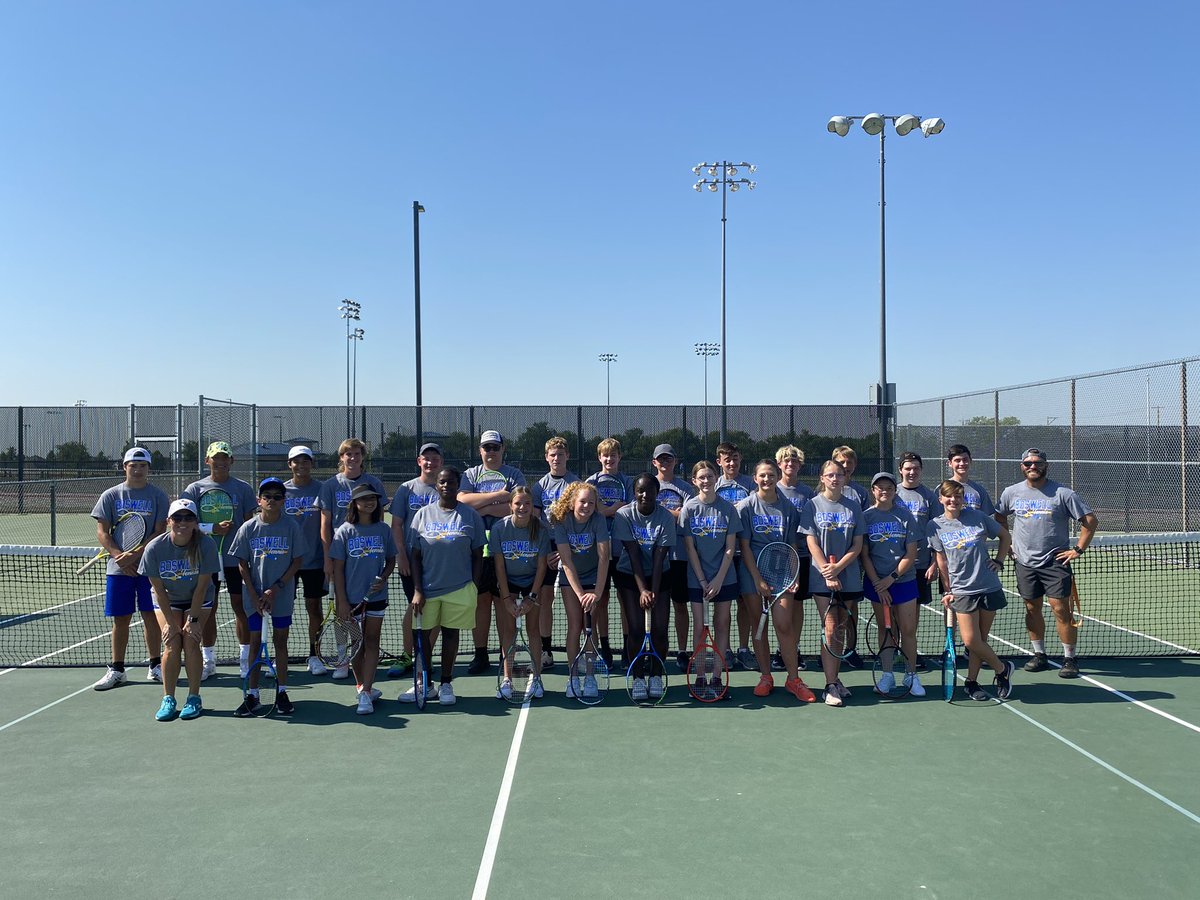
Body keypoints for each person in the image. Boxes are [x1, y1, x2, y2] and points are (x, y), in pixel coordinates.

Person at [995, 447, 1099, 678]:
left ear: (1046, 466)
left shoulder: (1063, 493)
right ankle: (1039, 654)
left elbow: (1090, 521)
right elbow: (1000, 517)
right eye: (1028, 463)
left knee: (1061, 609)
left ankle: (1069, 659)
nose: (1033, 467)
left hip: (1055, 562)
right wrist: (1008, 543)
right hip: (1024, 562)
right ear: (1022, 467)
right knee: (1032, 609)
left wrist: (1078, 549)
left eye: (1037, 463)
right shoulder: (1011, 493)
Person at [928, 479, 1016, 701]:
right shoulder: (935, 526)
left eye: (958, 496)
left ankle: (971, 682)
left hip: (988, 585)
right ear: (941, 499)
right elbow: (942, 562)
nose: (953, 500)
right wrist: (948, 590)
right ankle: (1002, 669)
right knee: (970, 641)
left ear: (963, 499)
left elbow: (1006, 536)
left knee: (981, 639)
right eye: (949, 496)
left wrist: (999, 561)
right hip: (962, 590)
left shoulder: (978, 518)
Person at [90, 447, 169, 691]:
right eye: (132, 465)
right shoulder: (111, 496)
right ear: (124, 467)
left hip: (149, 567)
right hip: (118, 570)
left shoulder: (158, 496)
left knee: (150, 617)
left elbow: (160, 531)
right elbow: (102, 531)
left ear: (148, 469)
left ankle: (155, 666)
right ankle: (117, 669)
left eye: (142, 465)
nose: (137, 469)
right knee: (121, 619)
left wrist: (136, 554)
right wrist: (118, 557)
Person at [405, 467, 485, 706]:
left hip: (459, 587)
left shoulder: (470, 516)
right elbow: (415, 556)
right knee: (424, 636)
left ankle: (447, 683)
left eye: (451, 482)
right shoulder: (422, 515)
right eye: (442, 482)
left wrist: (473, 584)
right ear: (436, 485)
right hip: (427, 589)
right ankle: (426, 683)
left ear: (457, 484)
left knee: (451, 634)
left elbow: (478, 554)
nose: (446, 486)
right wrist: (418, 589)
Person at [737, 459, 815, 702]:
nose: (767, 479)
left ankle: (793, 679)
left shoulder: (788, 509)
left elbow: (791, 546)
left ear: (776, 475)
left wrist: (793, 575)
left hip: (782, 573)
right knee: (757, 626)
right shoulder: (746, 507)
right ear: (755, 478)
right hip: (752, 574)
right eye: (762, 475)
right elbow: (745, 547)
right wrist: (758, 579)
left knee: (784, 625)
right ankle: (766, 677)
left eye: (771, 475)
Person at [180, 440, 259, 681]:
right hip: (205, 560)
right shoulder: (194, 489)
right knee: (208, 610)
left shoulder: (243, 489)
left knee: (241, 607)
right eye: (216, 457)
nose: (221, 462)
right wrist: (211, 527)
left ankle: (245, 659)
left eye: (225, 457)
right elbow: (185, 524)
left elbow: (250, 524)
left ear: (231, 461)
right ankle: (209, 660)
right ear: (208, 461)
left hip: (236, 560)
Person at [229, 477, 307, 716]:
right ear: (258, 500)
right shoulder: (248, 528)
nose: (271, 500)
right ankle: (252, 695)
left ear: (284, 500)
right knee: (254, 644)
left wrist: (275, 589)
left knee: (280, 642)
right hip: (254, 598)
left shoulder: (291, 526)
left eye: (277, 496)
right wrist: (254, 594)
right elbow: (241, 563)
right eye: (267, 496)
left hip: (280, 597)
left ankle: (282, 691)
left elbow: (297, 560)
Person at [139, 498, 220, 720]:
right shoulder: (155, 548)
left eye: (188, 518)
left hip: (198, 598)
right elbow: (158, 590)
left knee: (191, 639)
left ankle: (194, 698)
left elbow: (203, 587)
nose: (182, 522)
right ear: (168, 521)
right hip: (169, 599)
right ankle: (168, 699)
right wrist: (172, 624)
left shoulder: (206, 545)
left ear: (195, 522)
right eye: (177, 518)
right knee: (172, 641)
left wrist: (192, 620)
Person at [458, 430, 527, 676]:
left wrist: (482, 505)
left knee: (503, 603)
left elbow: (516, 507)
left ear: (502, 449)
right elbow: (463, 502)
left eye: (495, 447)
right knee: (480, 602)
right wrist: (499, 497)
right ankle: (480, 654)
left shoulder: (514, 474)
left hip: (506, 550)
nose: (491, 452)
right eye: (487, 448)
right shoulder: (469, 474)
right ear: (480, 450)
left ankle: (505, 656)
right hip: (476, 551)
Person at [799, 460, 866, 707]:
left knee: (841, 627)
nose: (835, 479)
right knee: (829, 626)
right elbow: (811, 542)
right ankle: (829, 686)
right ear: (822, 477)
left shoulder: (854, 507)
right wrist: (827, 572)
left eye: (839, 474)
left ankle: (835, 679)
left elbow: (857, 545)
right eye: (830, 475)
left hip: (847, 575)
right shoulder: (812, 505)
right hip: (821, 577)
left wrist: (839, 567)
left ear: (845, 477)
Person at [329, 483, 398, 714]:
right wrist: (342, 601)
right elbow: (337, 569)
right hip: (351, 599)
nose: (369, 502)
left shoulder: (383, 529)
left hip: (377, 597)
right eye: (364, 499)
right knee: (357, 645)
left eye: (373, 499)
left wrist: (384, 577)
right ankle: (362, 687)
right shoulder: (344, 531)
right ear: (355, 503)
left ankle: (366, 691)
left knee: (371, 641)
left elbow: (391, 560)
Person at [860, 472, 924, 697]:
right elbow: (864, 554)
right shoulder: (866, 517)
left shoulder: (905, 516)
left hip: (903, 581)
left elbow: (911, 552)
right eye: (880, 487)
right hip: (877, 584)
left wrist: (892, 578)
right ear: (873, 491)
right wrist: (879, 583)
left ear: (895, 491)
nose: (884, 491)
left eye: (889, 487)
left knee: (907, 630)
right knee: (886, 630)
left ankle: (911, 676)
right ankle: (887, 675)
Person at [680, 460, 740, 695]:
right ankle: (700, 676)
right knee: (699, 626)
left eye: (710, 476)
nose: (706, 481)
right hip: (697, 579)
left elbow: (730, 548)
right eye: (701, 477)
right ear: (694, 481)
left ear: (717, 479)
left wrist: (717, 580)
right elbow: (690, 548)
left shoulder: (728, 509)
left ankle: (716, 676)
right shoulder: (689, 509)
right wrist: (704, 581)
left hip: (725, 577)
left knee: (722, 625)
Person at [612, 474, 675, 700]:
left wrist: (654, 591)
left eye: (650, 491)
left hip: (660, 575)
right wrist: (642, 590)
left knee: (659, 629)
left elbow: (660, 557)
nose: (645, 495)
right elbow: (633, 553)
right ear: (634, 493)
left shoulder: (666, 517)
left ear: (658, 493)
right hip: (630, 575)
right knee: (636, 629)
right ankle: (638, 677)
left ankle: (656, 675)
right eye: (640, 491)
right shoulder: (624, 515)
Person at [549, 481, 611, 699]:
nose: (586, 506)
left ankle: (590, 677)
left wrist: (597, 593)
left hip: (594, 578)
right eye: (582, 501)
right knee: (575, 626)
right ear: (573, 502)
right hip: (571, 578)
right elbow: (566, 561)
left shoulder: (599, 520)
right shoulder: (561, 521)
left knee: (590, 629)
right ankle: (573, 676)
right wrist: (580, 594)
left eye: (591, 503)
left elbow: (604, 558)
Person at [388, 441, 445, 676]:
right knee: (416, 606)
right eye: (426, 458)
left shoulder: (447, 487)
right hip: (412, 560)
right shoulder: (406, 489)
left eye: (435, 458)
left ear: (441, 462)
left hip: (440, 561)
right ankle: (407, 655)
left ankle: (425, 657)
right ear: (419, 462)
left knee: (438, 609)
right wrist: (401, 556)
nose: (430, 462)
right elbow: (397, 525)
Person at [489, 486, 551, 701]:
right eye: (518, 503)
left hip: (532, 585)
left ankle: (536, 679)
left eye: (527, 503)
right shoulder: (499, 529)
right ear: (510, 506)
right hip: (509, 584)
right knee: (509, 632)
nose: (522, 507)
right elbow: (499, 567)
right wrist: (507, 599)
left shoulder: (541, 529)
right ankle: (507, 679)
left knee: (533, 630)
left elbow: (542, 567)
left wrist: (531, 598)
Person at [586, 438, 634, 668]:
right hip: (599, 554)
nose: (609, 459)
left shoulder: (628, 482)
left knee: (625, 601)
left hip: (623, 552)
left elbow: (632, 512)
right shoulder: (591, 482)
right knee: (600, 601)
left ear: (619, 457)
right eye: (605, 455)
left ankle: (627, 648)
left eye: (613, 455)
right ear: (599, 458)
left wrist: (614, 512)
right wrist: (611, 510)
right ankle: (603, 648)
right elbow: (589, 512)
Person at [533, 437, 580, 666]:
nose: (556, 458)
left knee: (576, 598)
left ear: (567, 456)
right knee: (545, 598)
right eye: (552, 454)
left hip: (571, 547)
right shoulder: (539, 486)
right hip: (547, 549)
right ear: (546, 457)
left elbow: (580, 519)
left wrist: (564, 551)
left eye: (560, 454)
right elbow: (535, 519)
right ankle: (546, 650)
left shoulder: (576, 484)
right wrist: (548, 550)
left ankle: (581, 650)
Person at [283, 446, 329, 677]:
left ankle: (315, 655)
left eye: (305, 461)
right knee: (284, 611)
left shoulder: (322, 489)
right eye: (296, 462)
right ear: (289, 464)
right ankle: (281, 657)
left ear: (312, 464)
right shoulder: (280, 491)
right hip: (286, 564)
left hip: (315, 561)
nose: (301, 466)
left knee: (314, 608)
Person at [650, 443, 695, 671]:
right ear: (654, 462)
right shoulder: (648, 485)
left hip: (679, 556)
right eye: (661, 459)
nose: (665, 462)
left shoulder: (686, 488)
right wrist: (671, 514)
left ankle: (682, 651)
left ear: (675, 461)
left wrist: (658, 511)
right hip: (653, 555)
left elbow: (684, 517)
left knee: (679, 605)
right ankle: (654, 649)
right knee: (654, 605)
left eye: (669, 459)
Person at [895, 450, 942, 671]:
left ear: (921, 471)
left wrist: (934, 563)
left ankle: (909, 654)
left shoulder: (930, 497)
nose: (912, 472)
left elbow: (937, 532)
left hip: (921, 565)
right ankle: (892, 651)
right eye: (908, 468)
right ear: (901, 470)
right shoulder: (892, 493)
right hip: (894, 565)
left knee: (912, 614)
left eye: (916, 468)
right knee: (892, 613)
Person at [715, 441, 759, 670]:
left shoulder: (751, 485)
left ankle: (744, 648)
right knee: (723, 604)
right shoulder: (713, 485)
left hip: (745, 552)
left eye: (735, 459)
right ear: (719, 462)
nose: (732, 463)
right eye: (727, 459)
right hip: (721, 554)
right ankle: (726, 649)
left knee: (745, 602)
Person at [775, 444, 815, 672]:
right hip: (776, 558)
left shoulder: (807, 494)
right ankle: (781, 650)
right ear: (779, 464)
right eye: (786, 461)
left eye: (794, 461)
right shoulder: (772, 489)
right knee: (779, 607)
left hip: (802, 557)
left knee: (797, 605)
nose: (790, 464)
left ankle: (794, 649)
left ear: (800, 465)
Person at [946, 443, 995, 515]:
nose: (962, 463)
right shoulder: (943, 488)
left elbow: (986, 518)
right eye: (957, 460)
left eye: (965, 460)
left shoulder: (979, 490)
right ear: (950, 463)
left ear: (970, 461)